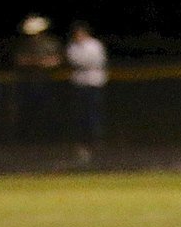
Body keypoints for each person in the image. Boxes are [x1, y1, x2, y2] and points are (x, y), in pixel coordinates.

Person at [11, 14, 62, 144]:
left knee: (47, 110)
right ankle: (27, 138)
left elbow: (56, 61)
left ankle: (48, 137)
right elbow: (20, 60)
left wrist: (38, 62)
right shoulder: (23, 44)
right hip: (27, 81)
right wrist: (39, 62)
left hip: (46, 81)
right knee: (27, 111)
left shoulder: (51, 43)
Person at [65, 21, 108, 164]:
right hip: (79, 83)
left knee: (94, 113)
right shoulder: (73, 46)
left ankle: (96, 141)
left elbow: (96, 61)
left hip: (94, 82)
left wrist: (83, 63)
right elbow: (73, 60)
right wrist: (83, 63)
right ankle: (81, 142)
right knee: (80, 114)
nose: (78, 36)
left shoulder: (95, 45)